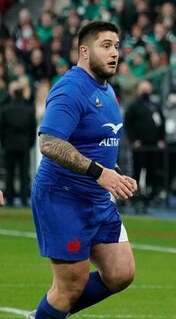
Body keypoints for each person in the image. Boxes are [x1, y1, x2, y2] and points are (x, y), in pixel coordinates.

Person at [29, 21, 138, 319]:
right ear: (84, 51)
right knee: (70, 286)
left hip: (98, 200)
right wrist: (101, 174)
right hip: (63, 198)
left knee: (120, 272)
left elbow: (94, 142)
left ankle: (45, 315)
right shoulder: (70, 89)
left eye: (116, 46)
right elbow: (50, 143)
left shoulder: (107, 90)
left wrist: (114, 172)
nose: (114, 52)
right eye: (106, 46)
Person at [124, 79, 165, 212]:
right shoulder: (134, 106)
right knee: (137, 171)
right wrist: (133, 140)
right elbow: (128, 124)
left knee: (152, 171)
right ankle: (134, 195)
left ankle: (150, 195)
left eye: (147, 89)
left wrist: (161, 139)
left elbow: (162, 123)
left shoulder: (154, 105)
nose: (146, 92)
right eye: (143, 89)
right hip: (140, 146)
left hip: (153, 146)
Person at [0, 80, 37, 206]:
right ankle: (23, 199)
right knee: (23, 173)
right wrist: (30, 144)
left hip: (9, 145)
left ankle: (9, 200)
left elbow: (2, 129)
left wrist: (4, 143)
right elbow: (33, 130)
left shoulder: (6, 110)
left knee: (9, 173)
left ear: (13, 95)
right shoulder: (29, 110)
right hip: (24, 145)